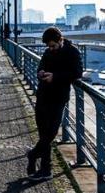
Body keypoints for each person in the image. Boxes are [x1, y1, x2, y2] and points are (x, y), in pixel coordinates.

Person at [27, 26, 83, 178]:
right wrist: (41, 73)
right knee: (43, 133)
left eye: (53, 45)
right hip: (43, 95)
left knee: (50, 133)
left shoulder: (73, 52)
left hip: (58, 97)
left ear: (60, 40)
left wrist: (55, 77)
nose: (50, 49)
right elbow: (41, 66)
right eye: (48, 46)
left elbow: (77, 72)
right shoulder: (47, 52)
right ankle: (46, 169)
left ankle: (32, 155)